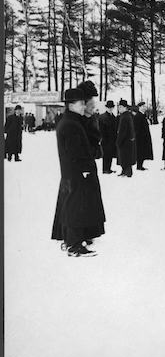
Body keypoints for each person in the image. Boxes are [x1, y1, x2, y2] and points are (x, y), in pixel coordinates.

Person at [52, 88, 105, 257]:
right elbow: (76, 152)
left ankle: (71, 241)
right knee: (76, 207)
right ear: (71, 105)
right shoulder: (71, 124)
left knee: (74, 206)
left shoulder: (72, 121)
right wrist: (84, 170)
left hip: (73, 173)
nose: (84, 106)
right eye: (81, 103)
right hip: (78, 173)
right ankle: (74, 246)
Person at [115, 100, 136, 177]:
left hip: (125, 141)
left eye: (120, 107)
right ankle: (125, 171)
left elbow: (122, 131)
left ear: (125, 107)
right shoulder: (127, 115)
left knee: (125, 157)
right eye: (118, 107)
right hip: (128, 141)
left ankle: (127, 172)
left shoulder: (124, 117)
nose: (119, 108)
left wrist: (118, 141)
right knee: (125, 157)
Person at [99, 100, 117, 174]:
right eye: (109, 107)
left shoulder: (113, 117)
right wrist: (102, 138)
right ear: (106, 108)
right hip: (105, 139)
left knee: (110, 154)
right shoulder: (102, 117)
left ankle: (108, 168)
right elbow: (100, 129)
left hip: (112, 139)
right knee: (106, 155)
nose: (110, 109)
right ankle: (105, 169)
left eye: (111, 107)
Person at [134, 102, 153, 170]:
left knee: (143, 152)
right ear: (139, 107)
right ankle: (139, 166)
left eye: (144, 106)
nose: (144, 108)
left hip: (144, 137)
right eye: (142, 106)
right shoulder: (138, 116)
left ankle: (140, 165)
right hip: (140, 137)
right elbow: (137, 128)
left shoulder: (143, 115)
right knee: (140, 152)